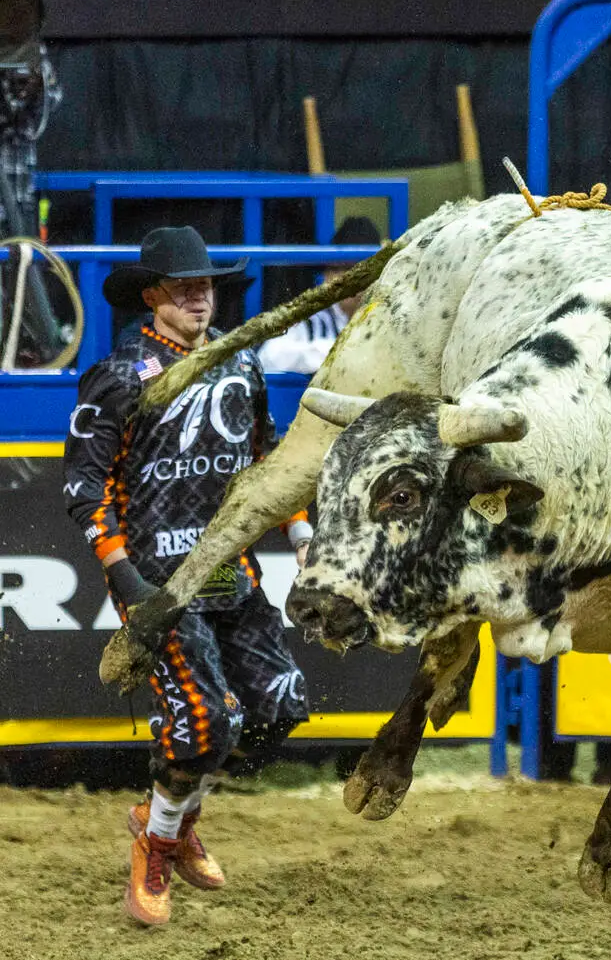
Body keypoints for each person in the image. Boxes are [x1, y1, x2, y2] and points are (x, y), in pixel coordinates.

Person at [63, 225, 312, 926]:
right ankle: (158, 841)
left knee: (281, 707)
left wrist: (299, 533)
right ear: (153, 297)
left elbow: (271, 466)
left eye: (207, 285)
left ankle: (166, 818)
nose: (200, 297)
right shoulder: (117, 377)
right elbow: (86, 488)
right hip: (160, 579)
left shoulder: (242, 367)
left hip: (231, 571)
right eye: (185, 287)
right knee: (209, 717)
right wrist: (124, 576)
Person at [257, 215, 381, 373]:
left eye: (362, 272)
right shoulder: (310, 320)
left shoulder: (387, 318)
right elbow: (269, 356)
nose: (350, 280)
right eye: (339, 269)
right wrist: (338, 352)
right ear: (326, 275)